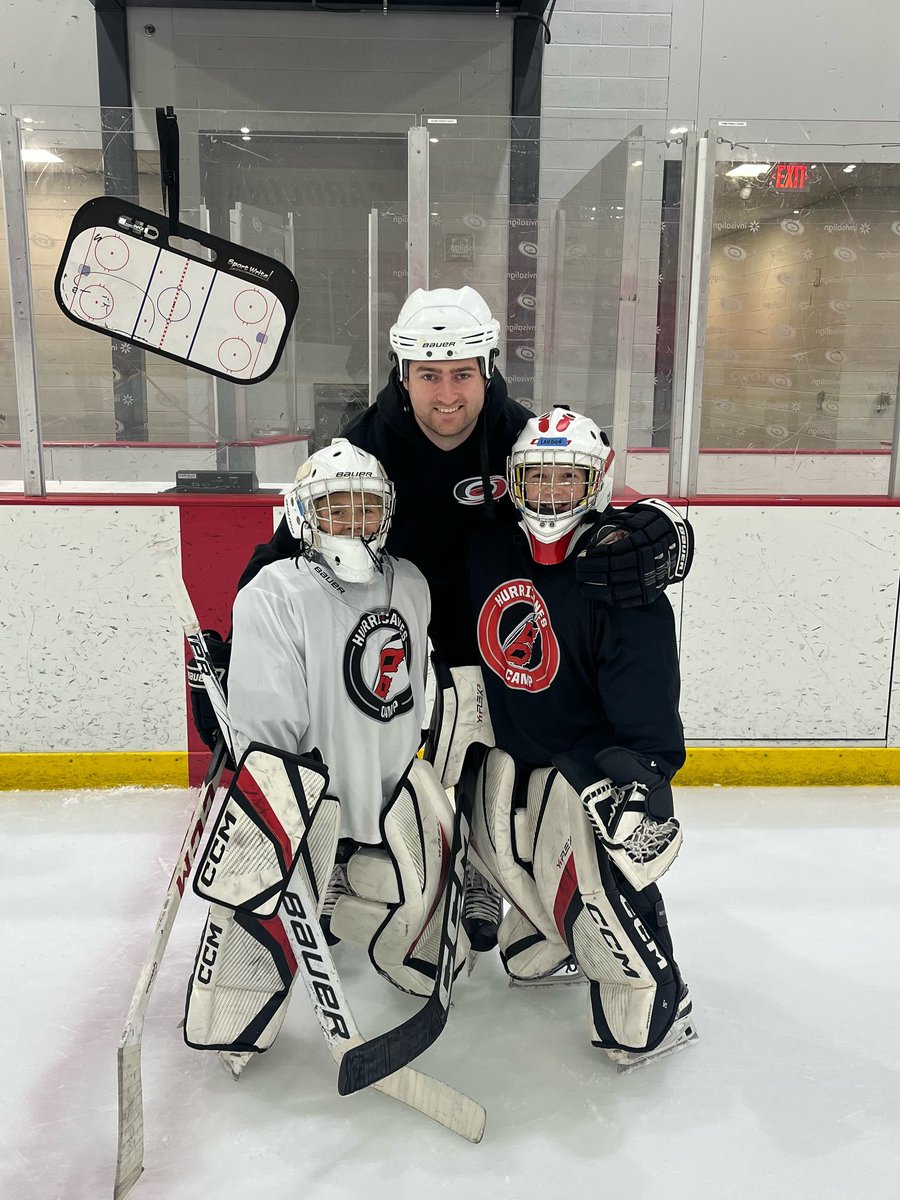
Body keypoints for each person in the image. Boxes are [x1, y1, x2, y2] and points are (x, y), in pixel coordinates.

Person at [190, 287, 695, 955]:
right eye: (429, 376)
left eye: (462, 374)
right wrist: (243, 645)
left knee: (492, 739)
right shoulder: (367, 442)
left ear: (486, 368)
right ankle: (338, 846)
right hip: (400, 602)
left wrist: (655, 529)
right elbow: (293, 542)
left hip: (491, 614)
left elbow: (579, 487)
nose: (447, 395)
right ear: (404, 375)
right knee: (352, 714)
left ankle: (483, 866)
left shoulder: (516, 429)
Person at [183, 441, 467, 1065]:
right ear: (305, 515)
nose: (354, 525)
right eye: (336, 510)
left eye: (367, 510)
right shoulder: (275, 592)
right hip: (310, 800)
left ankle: (376, 908)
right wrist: (262, 783)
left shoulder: (411, 583)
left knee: (420, 891)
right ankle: (242, 999)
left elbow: (412, 694)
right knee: (264, 886)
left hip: (390, 795)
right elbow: (270, 727)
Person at [464, 406, 697, 1069]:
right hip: (517, 762)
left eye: (570, 479)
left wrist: (642, 778)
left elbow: (650, 715)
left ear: (596, 483)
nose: (552, 495)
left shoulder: (621, 577)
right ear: (513, 482)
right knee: (511, 898)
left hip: (586, 775)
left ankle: (657, 992)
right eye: (539, 478)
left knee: (593, 867)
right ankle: (551, 938)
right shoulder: (489, 550)